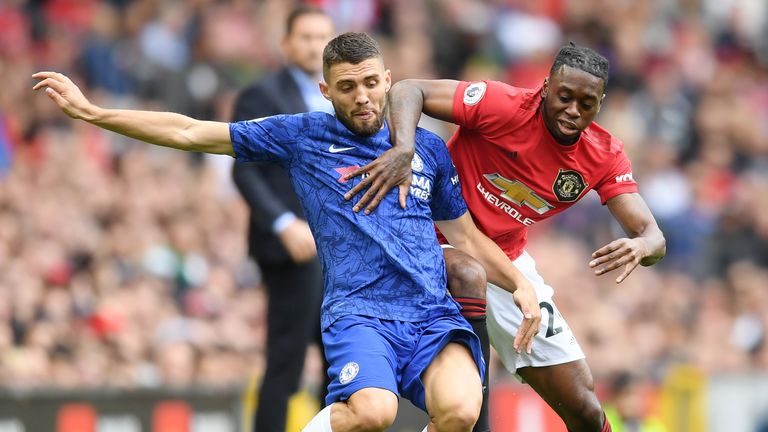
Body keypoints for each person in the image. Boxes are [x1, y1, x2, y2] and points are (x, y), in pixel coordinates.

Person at [33, 32, 541, 432]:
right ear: (326, 91)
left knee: (461, 411)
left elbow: (467, 237)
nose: (362, 97)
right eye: (346, 87)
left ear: (388, 80)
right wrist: (94, 113)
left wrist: (520, 285)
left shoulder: (427, 150)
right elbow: (191, 130)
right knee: (372, 413)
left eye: (369, 83)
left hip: (430, 314)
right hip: (361, 314)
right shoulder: (303, 136)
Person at [343, 44, 667, 432]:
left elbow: (653, 236)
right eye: (565, 97)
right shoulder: (502, 104)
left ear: (601, 103)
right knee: (468, 275)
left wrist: (641, 246)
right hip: (428, 239)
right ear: (546, 87)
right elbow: (410, 89)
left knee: (583, 405)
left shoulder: (604, 155)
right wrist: (404, 150)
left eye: (587, 102)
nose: (573, 111)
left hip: (505, 259)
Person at [230, 6, 334, 431]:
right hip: (293, 248)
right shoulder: (263, 96)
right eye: (306, 37)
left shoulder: (337, 98)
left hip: (334, 251)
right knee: (287, 363)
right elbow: (244, 169)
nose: (315, 46)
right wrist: (282, 222)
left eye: (322, 37)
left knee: (342, 361)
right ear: (285, 44)